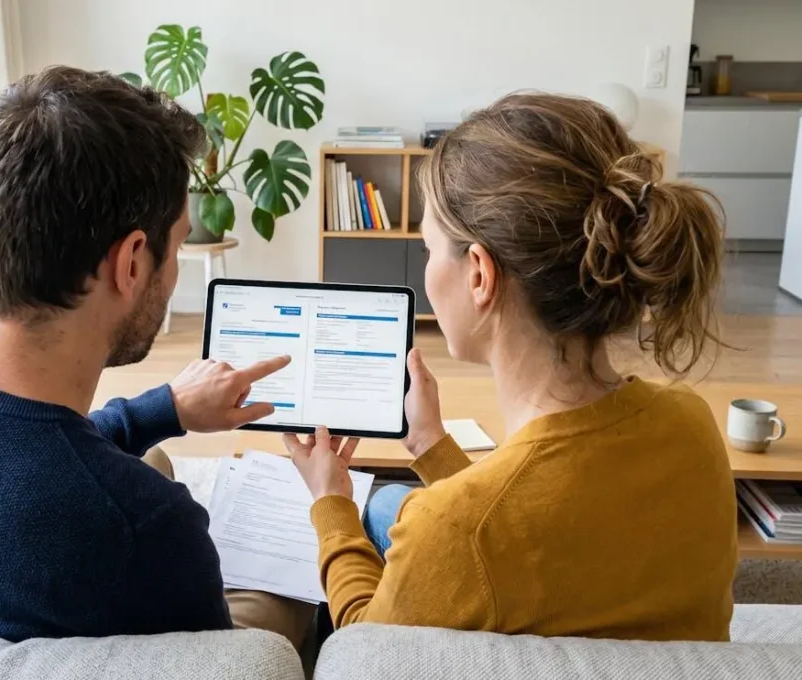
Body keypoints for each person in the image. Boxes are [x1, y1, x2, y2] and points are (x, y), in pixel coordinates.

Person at [0, 66, 313, 644]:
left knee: (155, 460)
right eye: (178, 243)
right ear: (133, 262)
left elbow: (15, 453)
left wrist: (163, 410)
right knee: (279, 598)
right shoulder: (146, 526)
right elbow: (223, 664)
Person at [284, 92, 737, 641]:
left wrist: (331, 505)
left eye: (428, 250)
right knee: (388, 506)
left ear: (479, 274)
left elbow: (366, 646)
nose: (426, 271)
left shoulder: (452, 529)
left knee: (381, 512)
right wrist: (430, 445)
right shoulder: (693, 424)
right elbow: (523, 515)